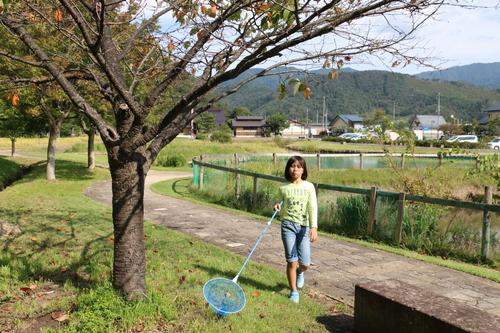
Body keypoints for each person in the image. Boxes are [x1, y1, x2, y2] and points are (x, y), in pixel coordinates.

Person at [273, 155, 318, 303]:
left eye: (298, 167)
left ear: (303, 169)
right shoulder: (283, 187)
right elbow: (280, 203)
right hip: (288, 225)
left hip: (304, 227)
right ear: (288, 169)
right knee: (292, 261)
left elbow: (312, 207)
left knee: (305, 263)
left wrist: (314, 227)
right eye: (292, 166)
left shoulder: (309, 187)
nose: (295, 169)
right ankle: (294, 291)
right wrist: (277, 206)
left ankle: (300, 272)